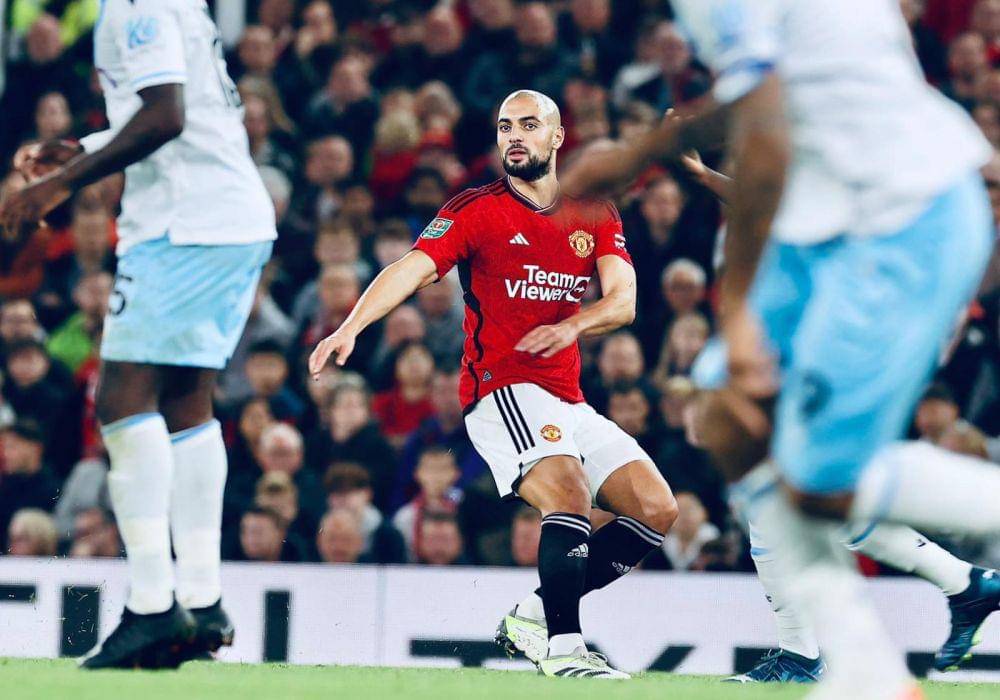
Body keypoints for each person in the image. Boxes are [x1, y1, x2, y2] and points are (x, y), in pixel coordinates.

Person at [564, 2, 1000, 696]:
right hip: (832, 222)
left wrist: (738, 315)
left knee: (816, 474)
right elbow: (776, 105)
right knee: (730, 417)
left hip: (901, 219)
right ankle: (862, 658)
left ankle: (878, 642)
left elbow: (766, 135)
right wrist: (643, 153)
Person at [310, 89, 678, 679]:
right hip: (501, 389)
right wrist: (351, 326)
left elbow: (624, 301)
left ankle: (533, 614)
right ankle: (565, 650)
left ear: (557, 137)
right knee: (568, 493)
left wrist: (574, 325)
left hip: (567, 397)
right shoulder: (476, 209)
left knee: (657, 509)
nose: (515, 136)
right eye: (506, 126)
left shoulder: (593, 211)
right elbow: (410, 268)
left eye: (529, 125)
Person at [0, 0, 276, 670]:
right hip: (230, 221)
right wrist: (85, 149)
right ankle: (203, 602)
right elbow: (185, 112)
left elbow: (165, 116)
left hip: (184, 229)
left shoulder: (134, 7)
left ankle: (153, 608)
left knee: (121, 399)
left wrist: (58, 186)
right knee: (186, 401)